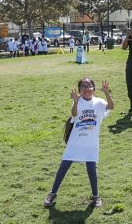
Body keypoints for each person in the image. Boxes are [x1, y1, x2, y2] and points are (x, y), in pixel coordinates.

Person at [43, 77, 114, 208]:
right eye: (83, 86)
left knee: (91, 170)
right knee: (63, 167)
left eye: (89, 86)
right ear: (80, 89)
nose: (86, 89)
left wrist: (106, 92)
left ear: (93, 88)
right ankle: (52, 194)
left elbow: (111, 106)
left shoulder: (99, 102)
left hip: (91, 144)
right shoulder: (78, 101)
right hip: (75, 142)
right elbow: (74, 115)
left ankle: (96, 196)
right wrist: (75, 102)